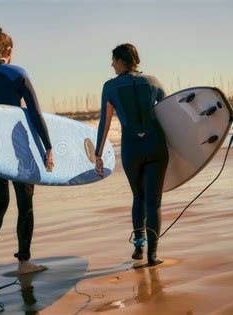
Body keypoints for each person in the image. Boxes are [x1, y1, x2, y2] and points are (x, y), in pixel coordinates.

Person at [0, 26, 54, 276]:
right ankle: (24, 261)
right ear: (8, 50)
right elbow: (35, 113)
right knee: (25, 204)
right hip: (18, 148)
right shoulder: (18, 73)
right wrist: (48, 146)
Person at [95, 43, 167, 266]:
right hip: (156, 146)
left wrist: (98, 153)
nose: (111, 65)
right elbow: (171, 115)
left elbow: (104, 123)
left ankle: (139, 245)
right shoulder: (153, 82)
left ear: (121, 61)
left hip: (131, 148)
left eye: (113, 60)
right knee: (154, 202)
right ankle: (153, 256)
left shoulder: (110, 86)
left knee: (139, 196)